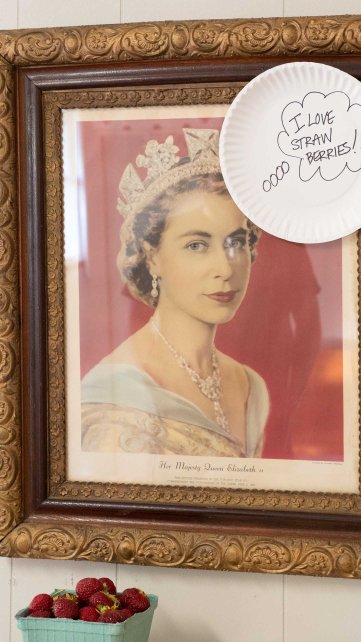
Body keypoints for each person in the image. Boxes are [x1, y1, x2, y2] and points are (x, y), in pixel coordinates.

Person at [81, 128, 269, 457]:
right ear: (152, 257)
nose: (225, 269)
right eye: (197, 245)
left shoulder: (250, 387)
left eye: (236, 242)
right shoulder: (115, 400)